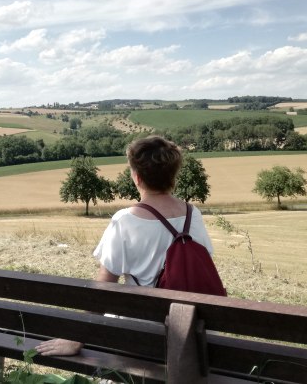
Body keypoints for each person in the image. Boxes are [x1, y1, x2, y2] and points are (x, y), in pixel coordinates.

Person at [35, 135, 214, 357]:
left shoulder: (125, 221)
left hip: (143, 337)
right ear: (173, 177)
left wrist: (75, 337)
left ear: (137, 178)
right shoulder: (192, 214)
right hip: (188, 334)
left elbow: (105, 289)